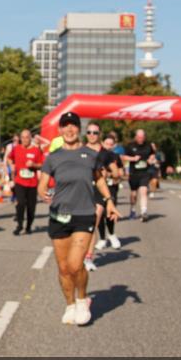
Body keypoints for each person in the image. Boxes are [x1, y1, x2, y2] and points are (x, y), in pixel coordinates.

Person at [38, 112, 119, 326]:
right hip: (59, 216)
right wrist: (43, 192)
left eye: (73, 125)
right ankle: (70, 305)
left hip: (84, 214)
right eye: (65, 126)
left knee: (75, 265)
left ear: (78, 129)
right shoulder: (53, 157)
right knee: (63, 268)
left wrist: (109, 201)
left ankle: (82, 299)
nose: (69, 129)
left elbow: (100, 180)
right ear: (60, 130)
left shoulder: (90, 155)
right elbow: (42, 183)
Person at [4, 129, 43, 235]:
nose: (25, 139)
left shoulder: (36, 150)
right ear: (20, 138)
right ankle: (19, 225)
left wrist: (34, 165)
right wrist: (11, 165)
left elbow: (42, 164)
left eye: (27, 137)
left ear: (30, 138)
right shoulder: (16, 149)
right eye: (23, 137)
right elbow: (9, 158)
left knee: (31, 207)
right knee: (20, 203)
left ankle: (29, 226)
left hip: (32, 183)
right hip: (20, 182)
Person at [82, 123, 106, 272]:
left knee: (93, 222)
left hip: (98, 190)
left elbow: (116, 170)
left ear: (99, 134)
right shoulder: (80, 150)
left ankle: (88, 257)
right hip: (82, 190)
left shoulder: (105, 153)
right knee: (80, 225)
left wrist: (112, 173)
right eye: (89, 132)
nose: (92, 135)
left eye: (95, 133)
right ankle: (79, 252)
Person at [95, 133, 124, 250]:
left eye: (111, 144)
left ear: (114, 145)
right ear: (102, 143)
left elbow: (121, 173)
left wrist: (110, 174)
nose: (108, 146)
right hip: (98, 188)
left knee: (110, 213)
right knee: (99, 214)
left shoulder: (115, 157)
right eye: (106, 144)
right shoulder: (97, 155)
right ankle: (102, 238)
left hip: (112, 187)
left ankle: (111, 234)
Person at [121, 129, 156, 221]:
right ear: (136, 137)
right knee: (134, 194)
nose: (140, 139)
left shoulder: (148, 145)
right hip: (133, 173)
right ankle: (132, 210)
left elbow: (153, 154)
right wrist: (133, 158)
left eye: (142, 137)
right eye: (139, 137)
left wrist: (150, 159)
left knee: (143, 191)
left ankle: (143, 211)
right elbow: (123, 157)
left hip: (145, 172)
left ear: (144, 137)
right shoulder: (130, 146)